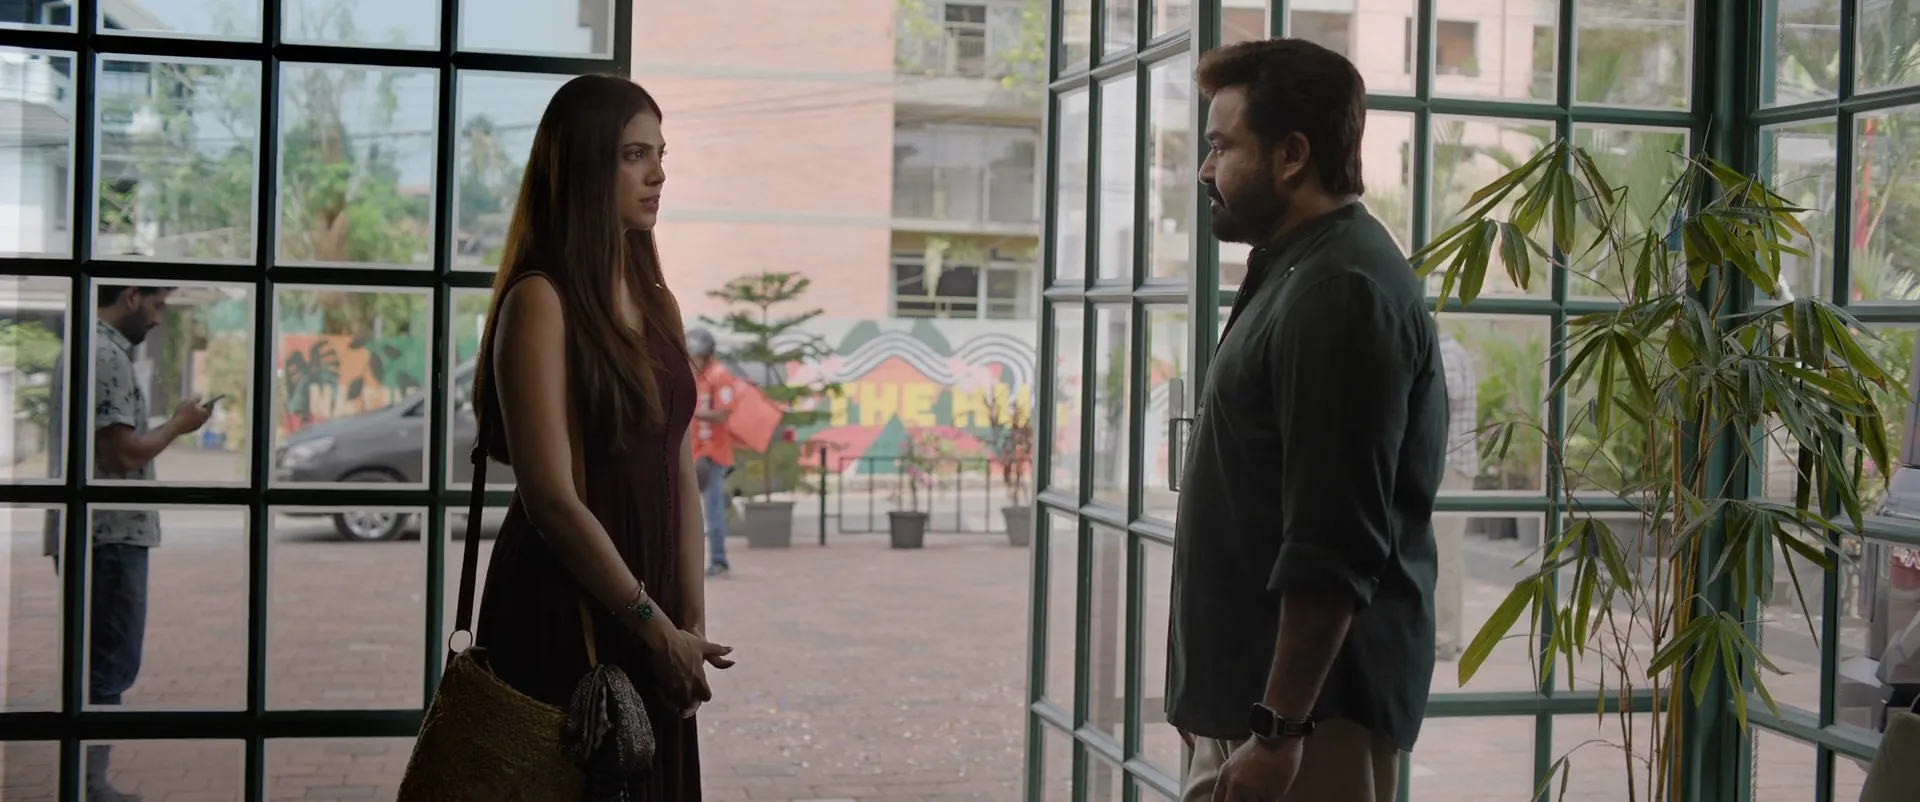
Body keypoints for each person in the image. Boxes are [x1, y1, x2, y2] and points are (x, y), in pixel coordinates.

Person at [1165, 38, 1448, 802]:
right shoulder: (1302, 267)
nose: (1205, 170)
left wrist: (1277, 728)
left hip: (1309, 723)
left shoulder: (1341, 290)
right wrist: (1213, 696)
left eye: (1222, 146)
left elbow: (1333, 540)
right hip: (1262, 708)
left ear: (1292, 155)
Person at [467, 73, 733, 799]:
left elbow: (680, 465)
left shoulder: (656, 299)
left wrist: (688, 626)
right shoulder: (540, 300)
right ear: (583, 167)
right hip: (572, 601)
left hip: (653, 611)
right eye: (634, 155)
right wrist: (655, 626)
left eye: (660, 154)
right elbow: (550, 499)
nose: (658, 174)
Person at [87, 283, 215, 801]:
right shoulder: (106, 356)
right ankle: (90, 786)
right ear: (132, 296)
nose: (159, 319)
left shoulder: (87, 348)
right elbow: (122, 455)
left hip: (99, 533)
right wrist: (178, 425)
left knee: (97, 661)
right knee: (108, 667)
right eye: (157, 306)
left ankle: (87, 779)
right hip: (111, 534)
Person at [685, 326, 739, 577]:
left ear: (706, 355)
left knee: (712, 507)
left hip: (714, 453)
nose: (691, 362)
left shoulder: (720, 376)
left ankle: (719, 560)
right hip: (697, 452)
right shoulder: (697, 377)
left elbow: (723, 414)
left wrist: (692, 412)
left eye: (695, 357)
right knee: (694, 505)